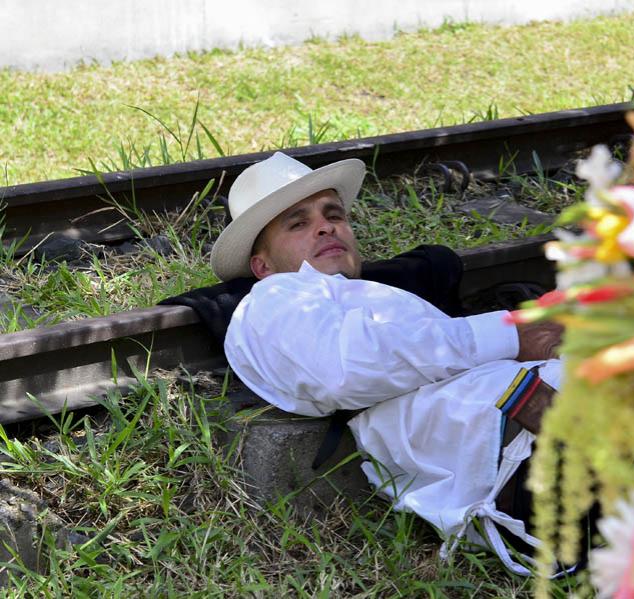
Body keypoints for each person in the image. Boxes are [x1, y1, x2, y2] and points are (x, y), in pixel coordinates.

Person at [213, 152, 564, 574]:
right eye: (298, 223)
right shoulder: (275, 297)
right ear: (262, 266)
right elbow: (342, 371)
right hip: (518, 443)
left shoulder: (372, 298)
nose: (326, 226)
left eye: (334, 214)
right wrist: (511, 334)